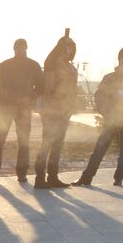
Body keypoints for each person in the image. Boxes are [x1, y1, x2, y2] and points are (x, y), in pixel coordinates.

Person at [75, 47, 123, 187]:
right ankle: (87, 177)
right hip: (111, 119)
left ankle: (118, 178)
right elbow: (99, 96)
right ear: (119, 59)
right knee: (100, 148)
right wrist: (106, 111)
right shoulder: (110, 78)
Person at [33, 33, 80, 189]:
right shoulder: (53, 63)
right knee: (47, 143)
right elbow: (49, 87)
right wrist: (47, 106)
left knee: (58, 145)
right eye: (67, 46)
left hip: (65, 109)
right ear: (60, 46)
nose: (69, 49)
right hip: (53, 109)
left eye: (72, 46)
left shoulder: (69, 65)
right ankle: (40, 178)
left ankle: (53, 176)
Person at [0, 38, 43, 182]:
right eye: (18, 47)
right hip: (6, 108)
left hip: (23, 109)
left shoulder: (33, 66)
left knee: (24, 141)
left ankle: (22, 173)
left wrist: (30, 97)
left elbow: (41, 86)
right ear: (14, 49)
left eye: (22, 47)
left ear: (26, 48)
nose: (20, 50)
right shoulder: (4, 65)